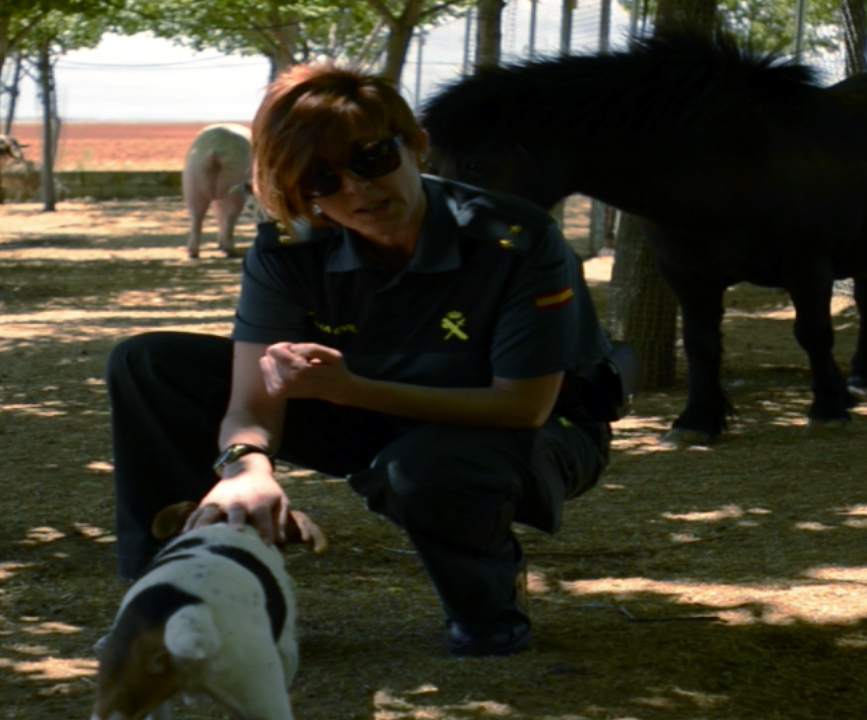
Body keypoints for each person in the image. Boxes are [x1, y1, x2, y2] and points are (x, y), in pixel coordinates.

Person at [105, 62, 612, 657]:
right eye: (321, 180)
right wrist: (246, 468)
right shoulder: (291, 250)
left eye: (372, 158)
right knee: (148, 364)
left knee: (425, 468)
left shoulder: (513, 240)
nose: (357, 190)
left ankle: (487, 605)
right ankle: (177, 593)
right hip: (371, 412)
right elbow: (252, 398)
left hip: (530, 430)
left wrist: (350, 390)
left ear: (417, 147)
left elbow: (522, 406)